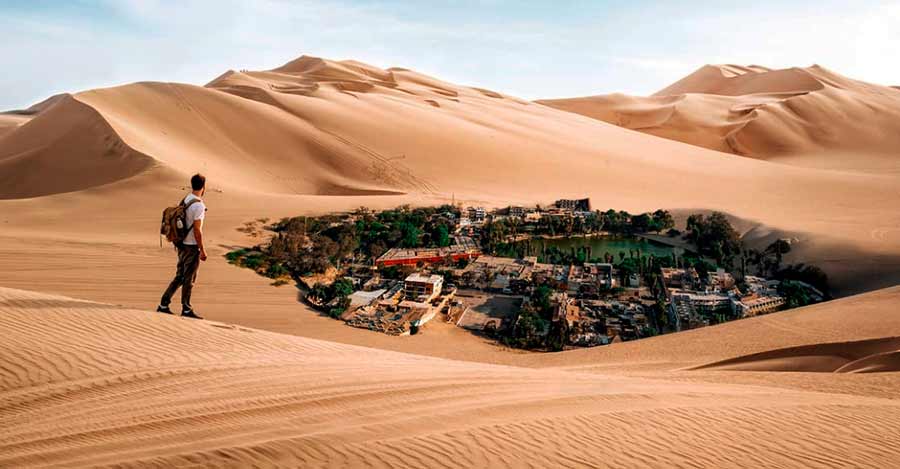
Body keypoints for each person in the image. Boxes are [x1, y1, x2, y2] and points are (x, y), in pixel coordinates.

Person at [157, 174, 208, 319]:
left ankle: (163, 304)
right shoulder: (199, 206)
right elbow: (198, 230)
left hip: (181, 245)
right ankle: (186, 308)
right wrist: (202, 250)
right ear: (204, 187)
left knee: (180, 276)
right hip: (191, 247)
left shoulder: (186, 199)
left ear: (192, 185)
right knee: (189, 279)